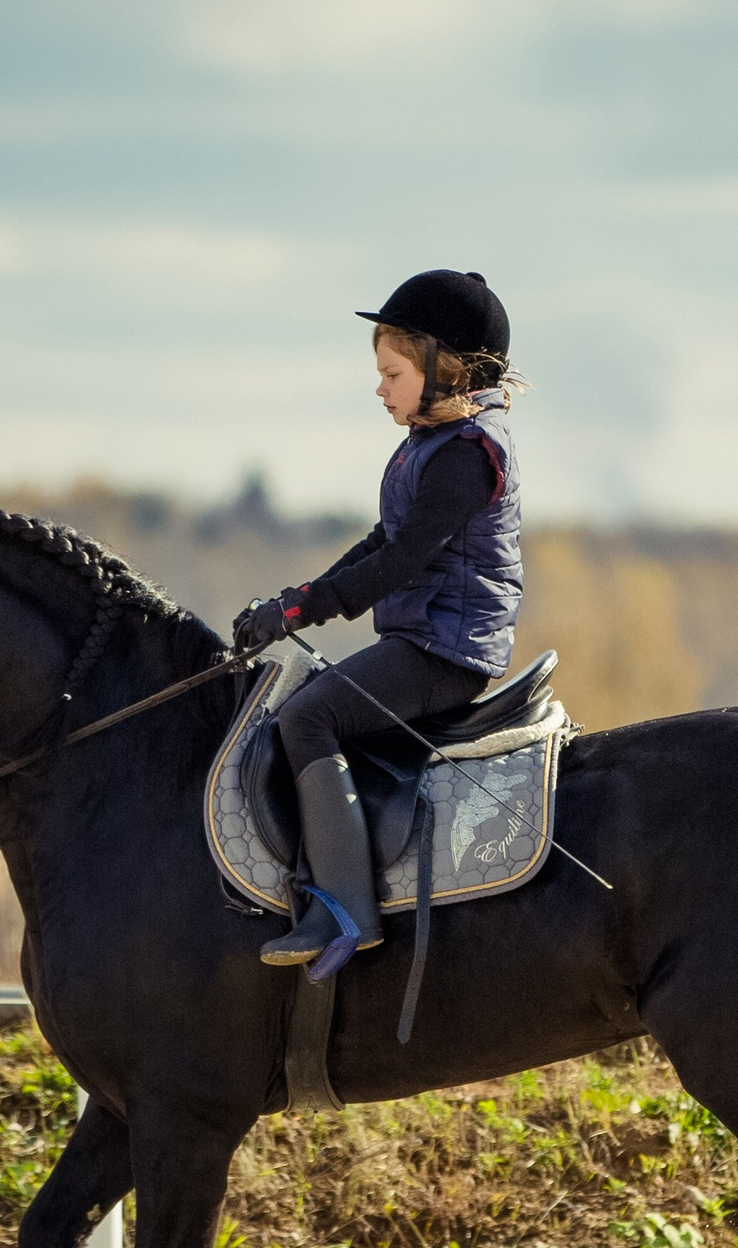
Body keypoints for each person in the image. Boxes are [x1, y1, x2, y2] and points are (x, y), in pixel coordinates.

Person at [232, 269, 524, 973]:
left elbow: (399, 562)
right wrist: (297, 598)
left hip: (447, 652)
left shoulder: (465, 455)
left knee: (307, 720)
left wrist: (303, 609)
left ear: (442, 366)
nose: (380, 387)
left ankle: (344, 913)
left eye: (392, 371)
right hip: (425, 639)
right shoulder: (429, 440)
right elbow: (380, 540)